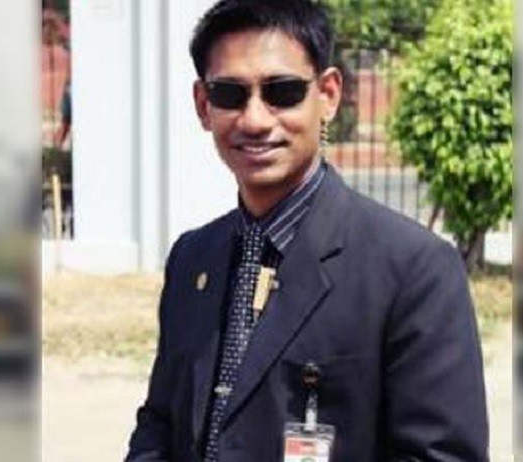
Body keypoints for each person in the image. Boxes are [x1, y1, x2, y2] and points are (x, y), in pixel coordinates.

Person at [126, 1, 488, 460]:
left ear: (328, 95)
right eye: (230, 94)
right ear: (203, 105)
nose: (255, 119)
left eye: (282, 92)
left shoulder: (414, 271)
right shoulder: (193, 259)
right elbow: (160, 423)